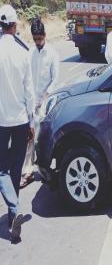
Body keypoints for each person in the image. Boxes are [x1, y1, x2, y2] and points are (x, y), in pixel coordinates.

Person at [0, 4, 33, 241]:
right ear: (14, 25)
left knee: (1, 169)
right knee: (14, 168)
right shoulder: (23, 52)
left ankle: (13, 209)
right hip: (21, 119)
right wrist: (32, 121)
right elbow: (29, 92)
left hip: (1, 121)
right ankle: (14, 214)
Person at [21, 19, 59, 188]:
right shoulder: (29, 54)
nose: (37, 41)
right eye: (35, 38)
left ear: (45, 35)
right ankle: (28, 172)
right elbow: (26, 80)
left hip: (45, 104)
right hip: (31, 103)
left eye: (39, 38)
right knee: (30, 138)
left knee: (42, 139)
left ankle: (44, 170)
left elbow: (55, 80)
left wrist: (45, 97)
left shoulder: (52, 54)